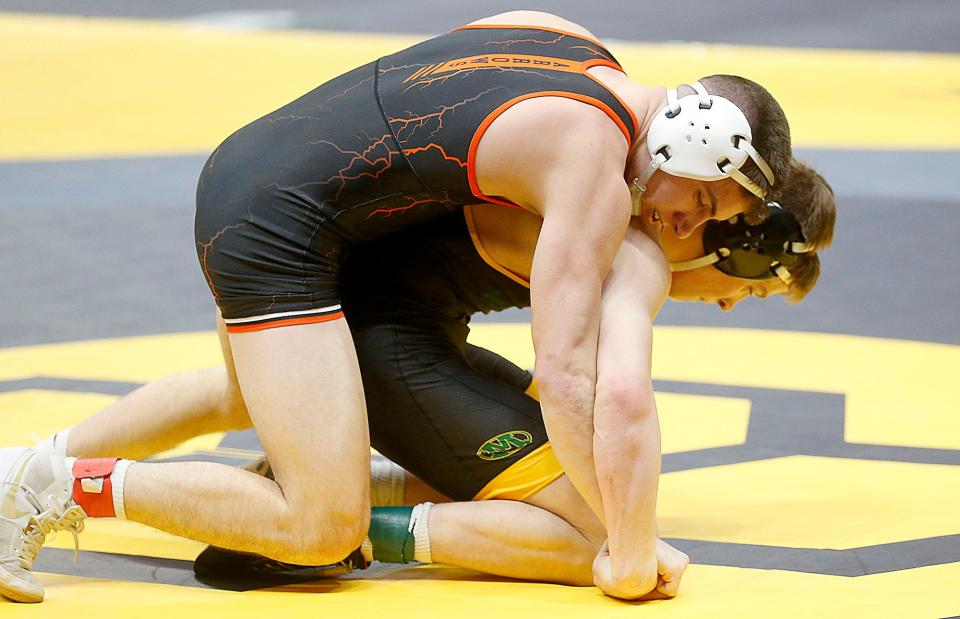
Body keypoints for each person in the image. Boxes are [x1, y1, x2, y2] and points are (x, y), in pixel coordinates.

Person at [0, 10, 810, 603]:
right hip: (287, 230)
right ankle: (45, 480)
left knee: (250, 394)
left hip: (273, 179)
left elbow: (417, 108)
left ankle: (55, 464)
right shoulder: (592, 174)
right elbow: (571, 377)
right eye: (703, 199)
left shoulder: (565, 40)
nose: (687, 220)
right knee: (321, 524)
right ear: (694, 139)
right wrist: (632, 544)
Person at [17, 170, 831, 595]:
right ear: (739, 243)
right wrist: (632, 539)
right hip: (364, 323)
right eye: (749, 288)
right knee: (596, 529)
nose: (729, 303)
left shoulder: (610, 172)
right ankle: (54, 480)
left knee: (234, 391)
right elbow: (601, 396)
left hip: (288, 262)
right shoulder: (638, 244)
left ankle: (39, 461)